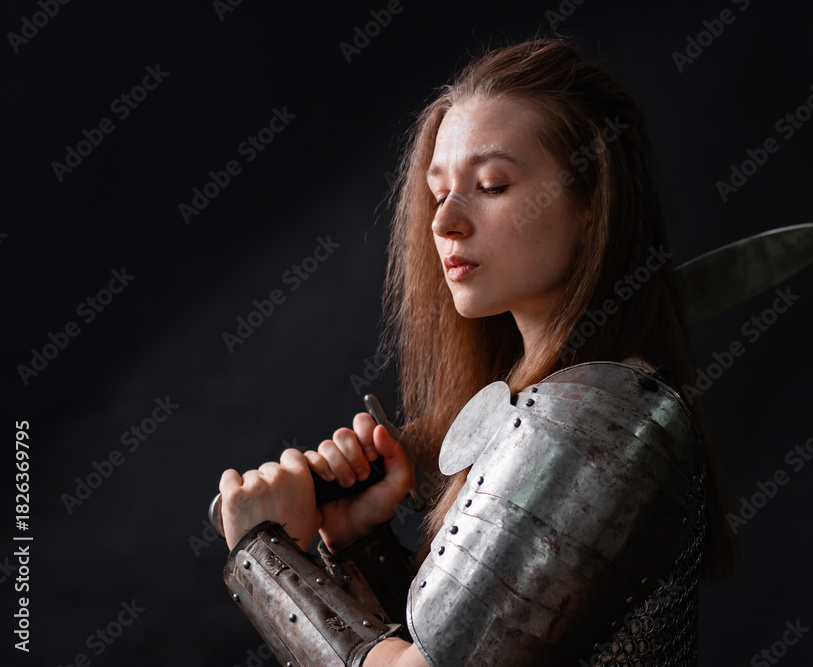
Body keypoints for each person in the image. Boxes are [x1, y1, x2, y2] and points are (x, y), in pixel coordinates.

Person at [218, 37, 737, 666]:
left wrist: (264, 555)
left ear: (590, 204)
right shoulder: (555, 405)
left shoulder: (597, 420)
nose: (443, 223)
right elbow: (465, 651)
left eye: (490, 184)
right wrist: (359, 544)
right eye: (439, 193)